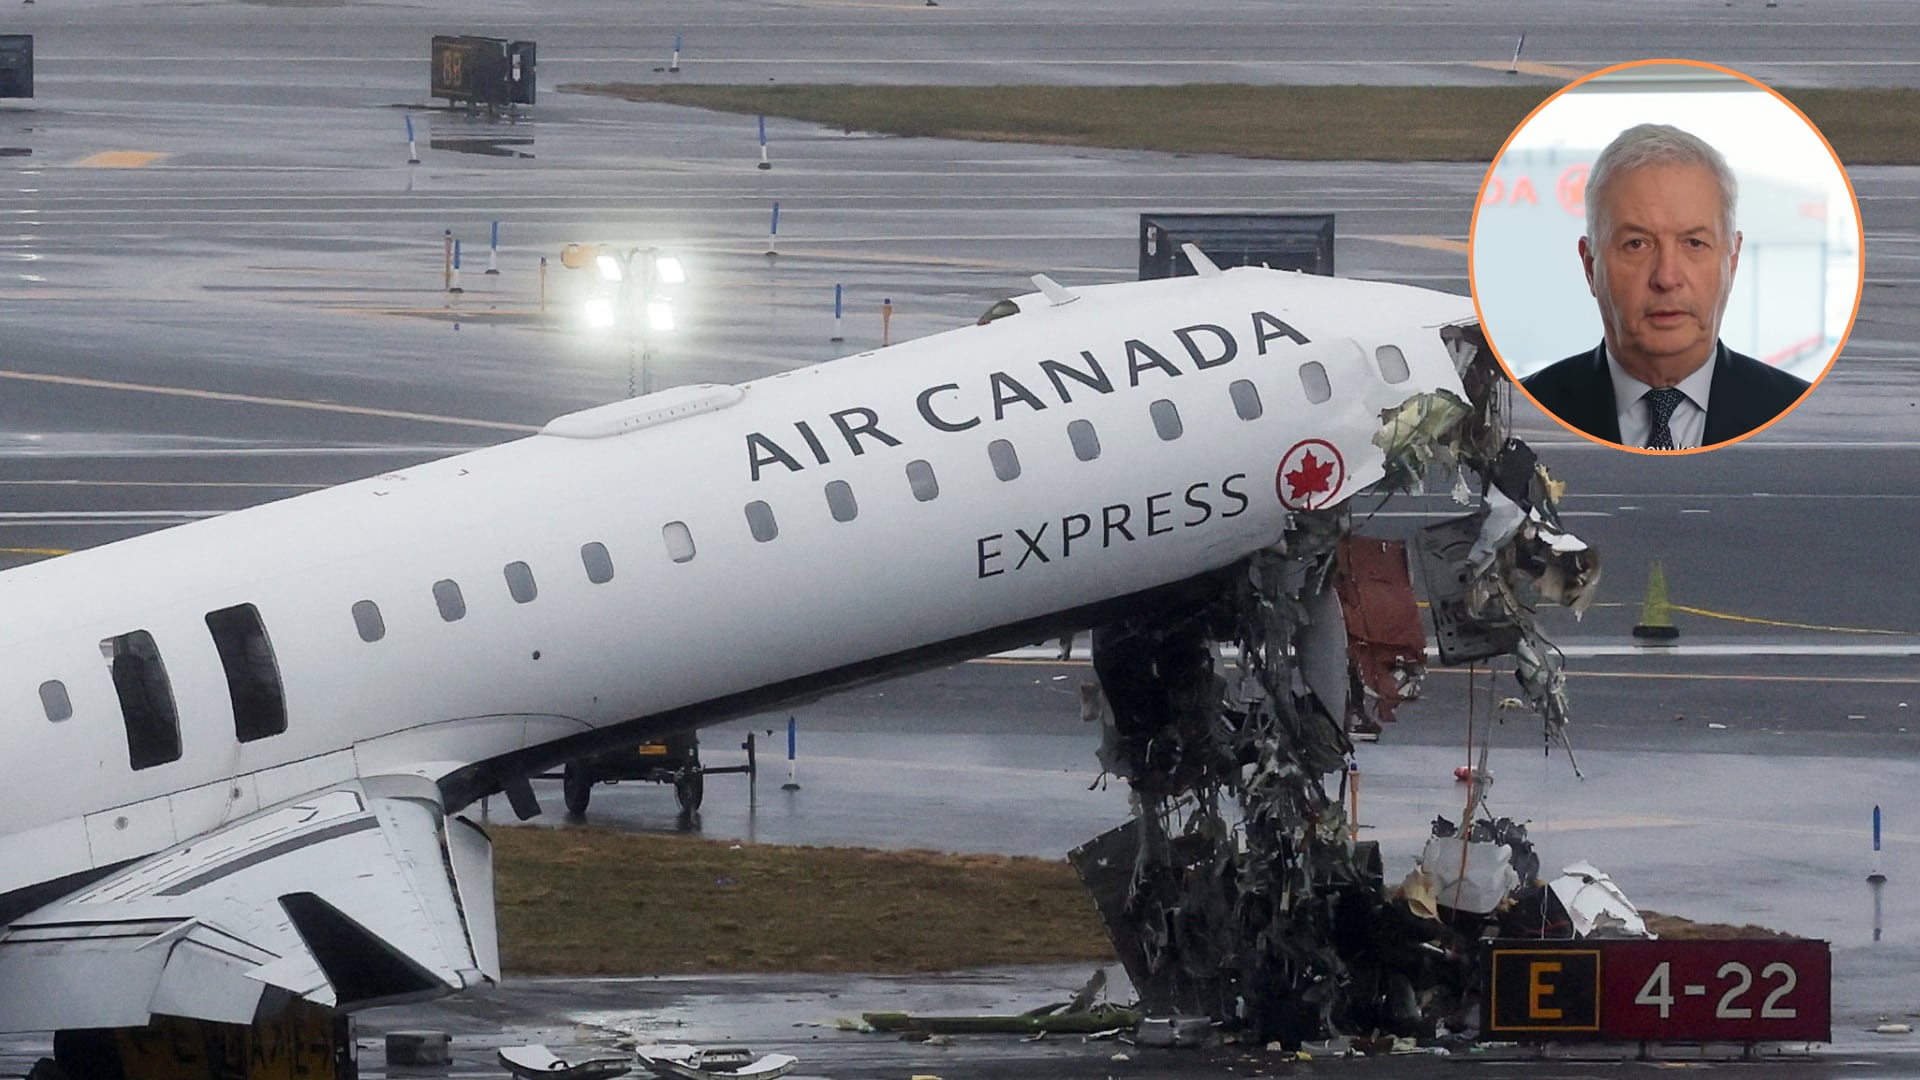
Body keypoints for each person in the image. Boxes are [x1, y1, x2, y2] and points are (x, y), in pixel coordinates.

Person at [1520, 123, 1811, 450]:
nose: (1666, 278)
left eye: (1694, 243)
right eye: (1636, 244)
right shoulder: (1524, 411)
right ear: (1590, 266)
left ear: (1732, 259)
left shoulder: (1794, 408)